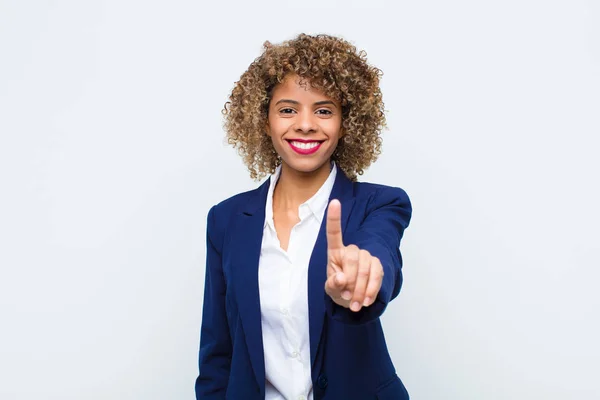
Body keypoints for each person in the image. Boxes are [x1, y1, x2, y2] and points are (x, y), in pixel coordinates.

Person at [195, 33, 412, 400]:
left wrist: (364, 276)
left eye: (324, 110)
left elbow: (379, 252)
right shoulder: (226, 219)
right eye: (288, 109)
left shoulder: (380, 204)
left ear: (346, 123)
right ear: (264, 120)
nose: (306, 124)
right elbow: (218, 353)